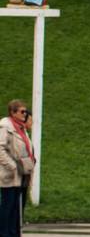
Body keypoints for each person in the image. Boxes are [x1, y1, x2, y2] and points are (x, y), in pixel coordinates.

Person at [0, 100, 35, 237]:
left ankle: (14, 233)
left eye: (25, 111)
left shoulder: (20, 127)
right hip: (10, 174)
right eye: (22, 111)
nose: (25, 114)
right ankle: (4, 233)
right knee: (8, 206)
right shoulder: (5, 127)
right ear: (12, 112)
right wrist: (12, 166)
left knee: (16, 208)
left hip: (22, 173)